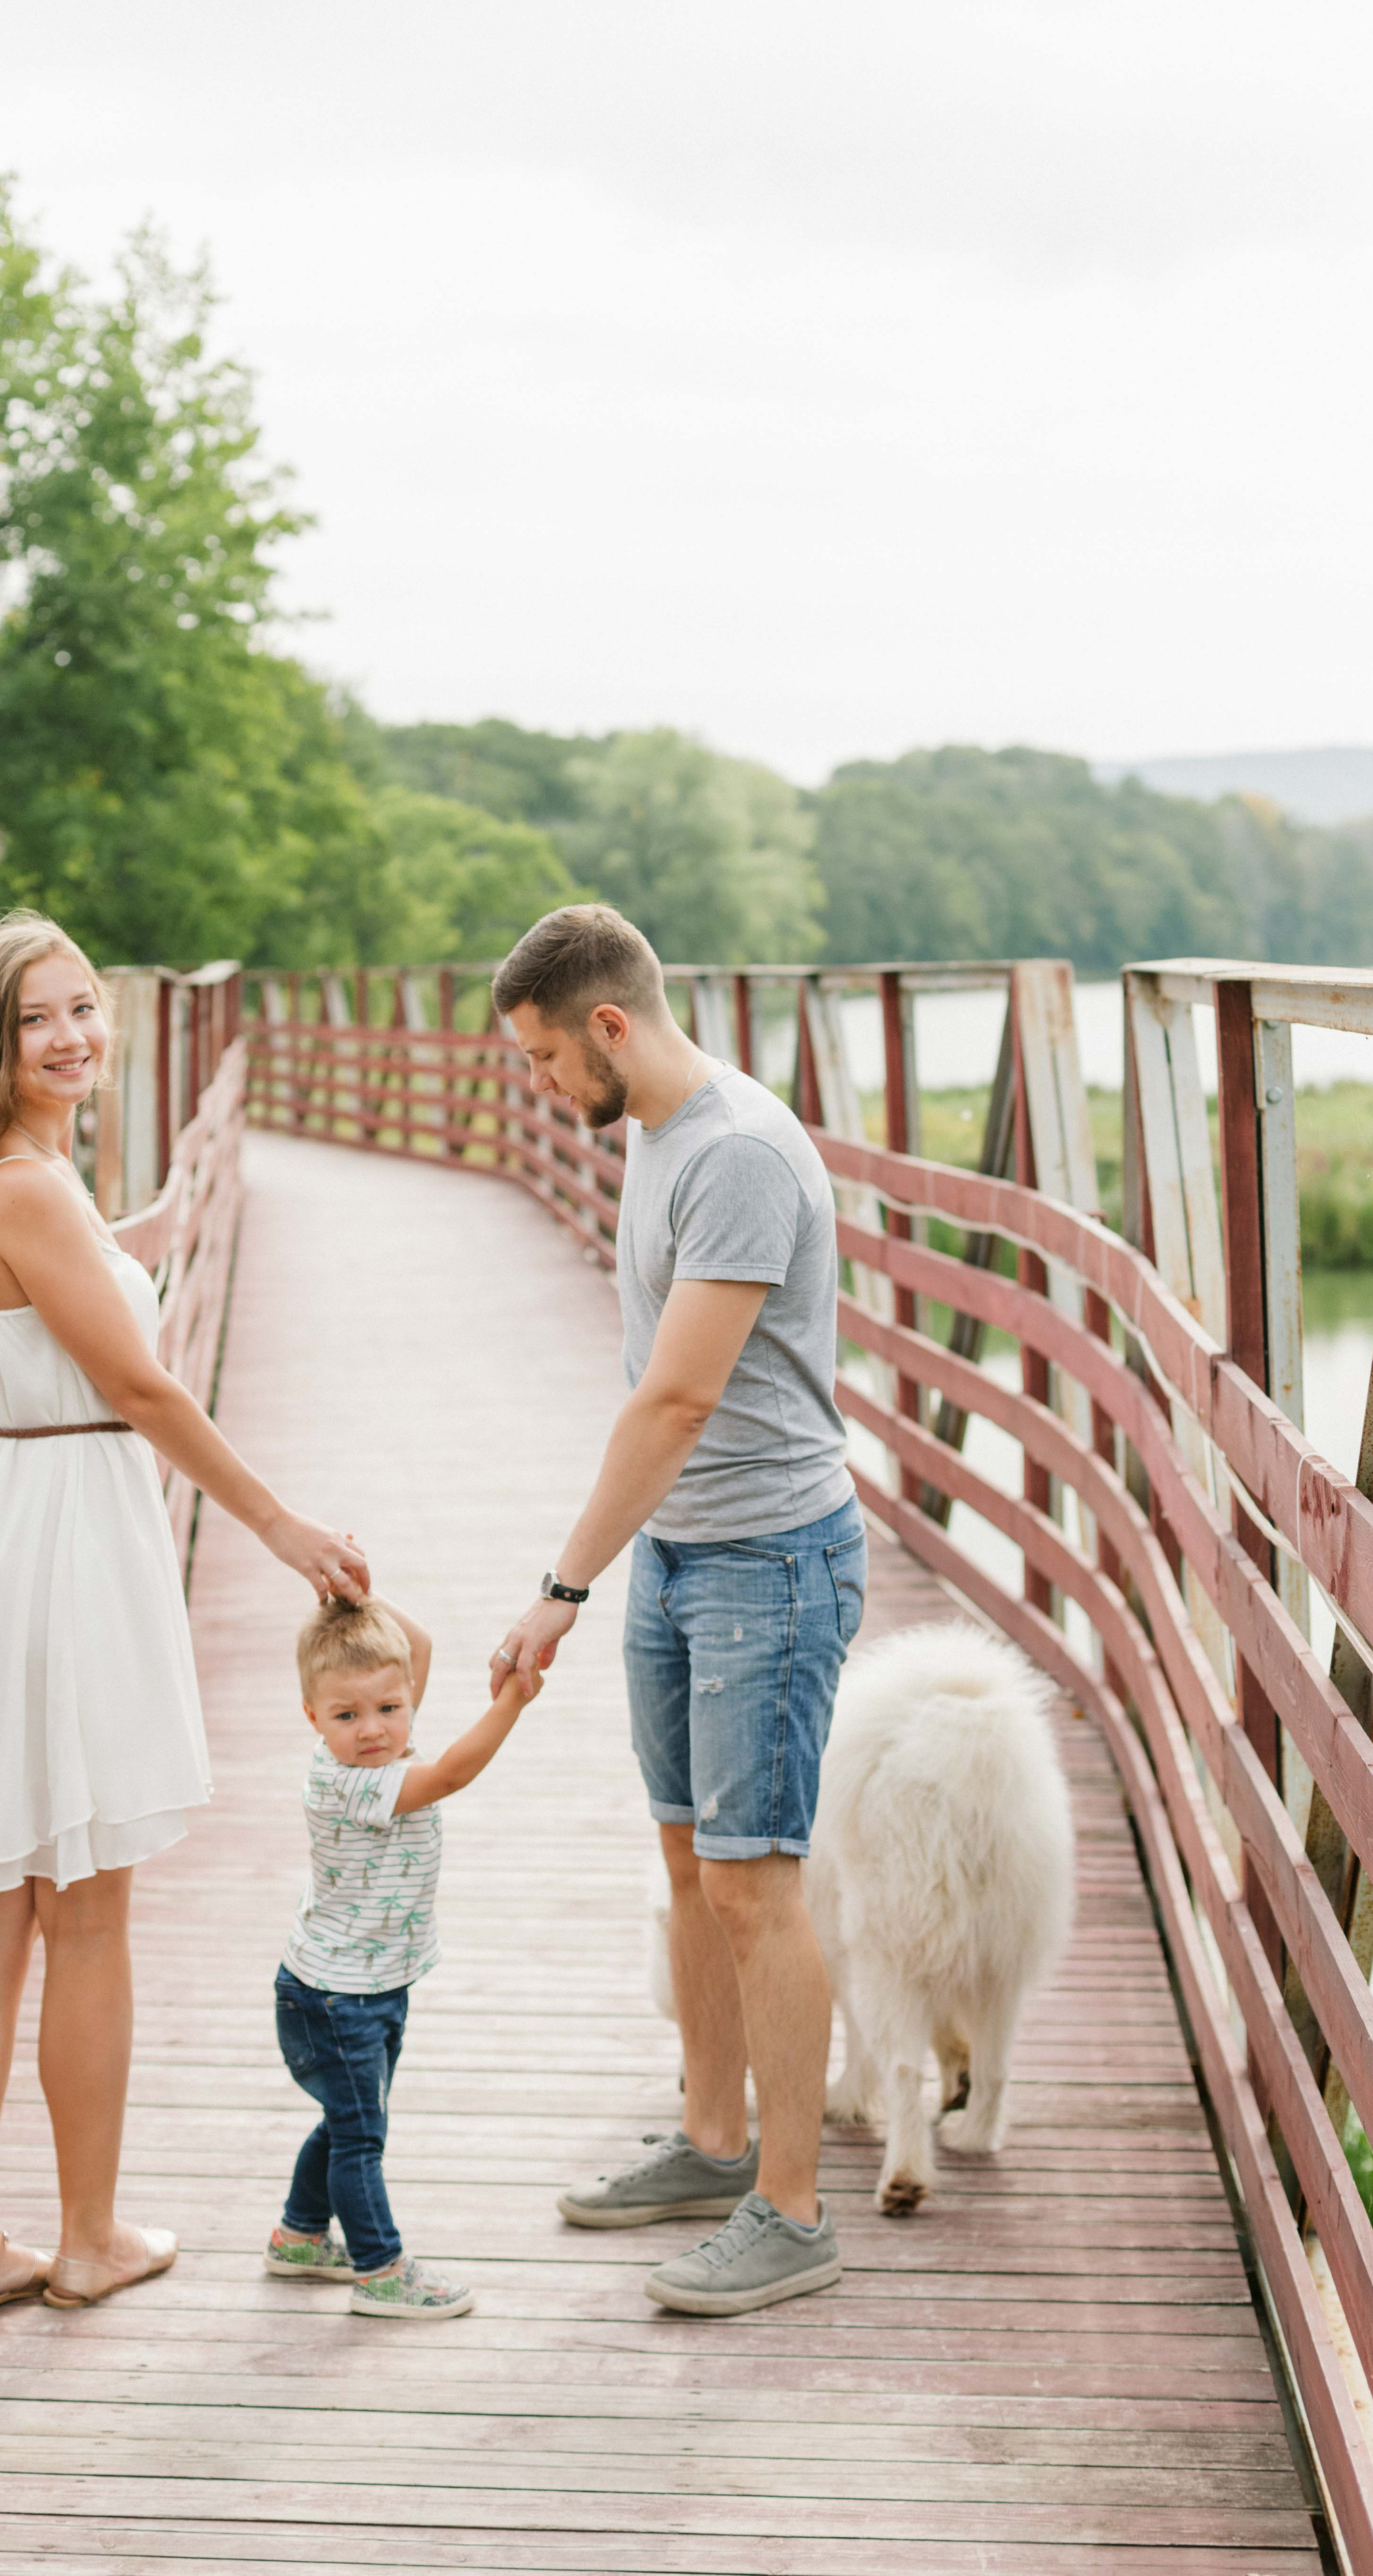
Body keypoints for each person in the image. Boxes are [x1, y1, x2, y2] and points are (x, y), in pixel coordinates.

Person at [0, 910, 369, 2329]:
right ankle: (84, 2237)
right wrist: (280, 1527)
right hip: (65, 1534)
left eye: (85, 1007)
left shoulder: (11, 1175)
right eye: (38, 1017)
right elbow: (143, 1390)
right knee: (81, 1911)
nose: (73, 1035)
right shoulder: (29, 1191)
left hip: (17, 1520)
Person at [488, 905, 867, 2317]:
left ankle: (792, 2210)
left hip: (770, 1559)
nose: (538, 1086)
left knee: (755, 1879)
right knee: (692, 1860)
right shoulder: (651, 1129)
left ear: (609, 1026)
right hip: (681, 1550)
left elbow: (678, 1398)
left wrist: (559, 1590)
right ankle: (714, 2145)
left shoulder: (739, 1155)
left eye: (542, 1059)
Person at [266, 1592, 540, 2317]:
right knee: (361, 2135)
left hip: (366, 1984)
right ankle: (380, 2269)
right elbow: (449, 1776)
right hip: (338, 1998)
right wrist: (511, 1701)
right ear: (312, 1717)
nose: (372, 1729)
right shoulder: (352, 1781)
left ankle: (299, 2236)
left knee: (346, 2121)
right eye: (346, 1716)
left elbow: (418, 1649)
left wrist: (360, 1595)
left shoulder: (377, 1742)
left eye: (390, 1708)